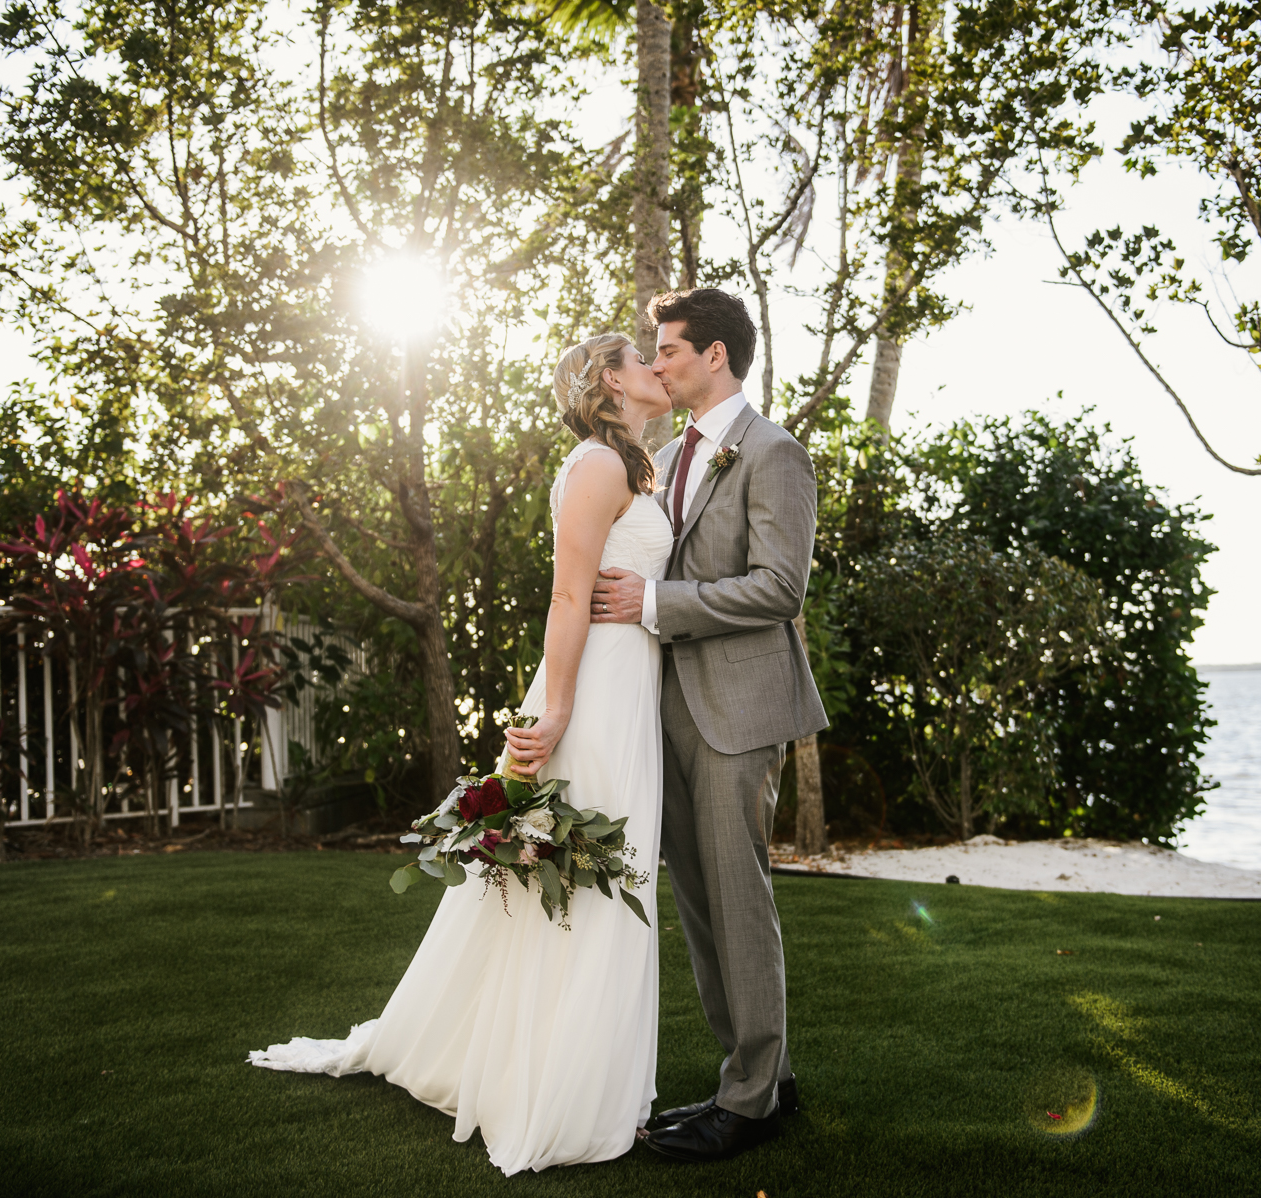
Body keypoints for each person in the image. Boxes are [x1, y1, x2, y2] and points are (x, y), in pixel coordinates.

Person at [248, 332, 674, 1176]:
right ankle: (553, 1085)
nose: (661, 371)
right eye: (644, 361)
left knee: (595, 875)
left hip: (630, 684)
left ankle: (573, 1066)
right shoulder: (596, 465)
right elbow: (565, 592)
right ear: (608, 382)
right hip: (592, 690)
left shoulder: (630, 463)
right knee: (589, 873)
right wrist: (555, 709)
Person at [589, 287, 829, 1163]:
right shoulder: (666, 454)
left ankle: (752, 1105)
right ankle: (756, 1078)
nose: (657, 365)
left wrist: (656, 601)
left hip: (738, 708)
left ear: (717, 355)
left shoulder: (774, 452)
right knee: (697, 907)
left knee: (739, 901)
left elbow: (780, 587)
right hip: (669, 710)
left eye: (672, 350)